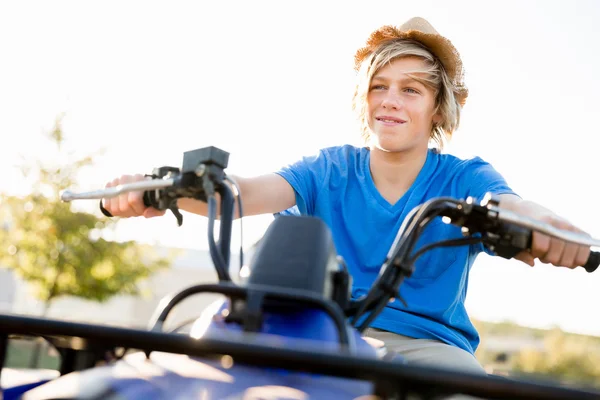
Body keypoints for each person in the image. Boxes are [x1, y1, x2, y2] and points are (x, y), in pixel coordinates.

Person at [101, 17, 590, 377]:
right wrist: (158, 187)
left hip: (421, 346)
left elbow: (508, 205)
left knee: (466, 388)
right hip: (311, 330)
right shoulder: (330, 168)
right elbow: (244, 194)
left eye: (411, 90)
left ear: (439, 109)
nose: (390, 100)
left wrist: (549, 228)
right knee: (180, 369)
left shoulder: (464, 176)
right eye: (379, 86)